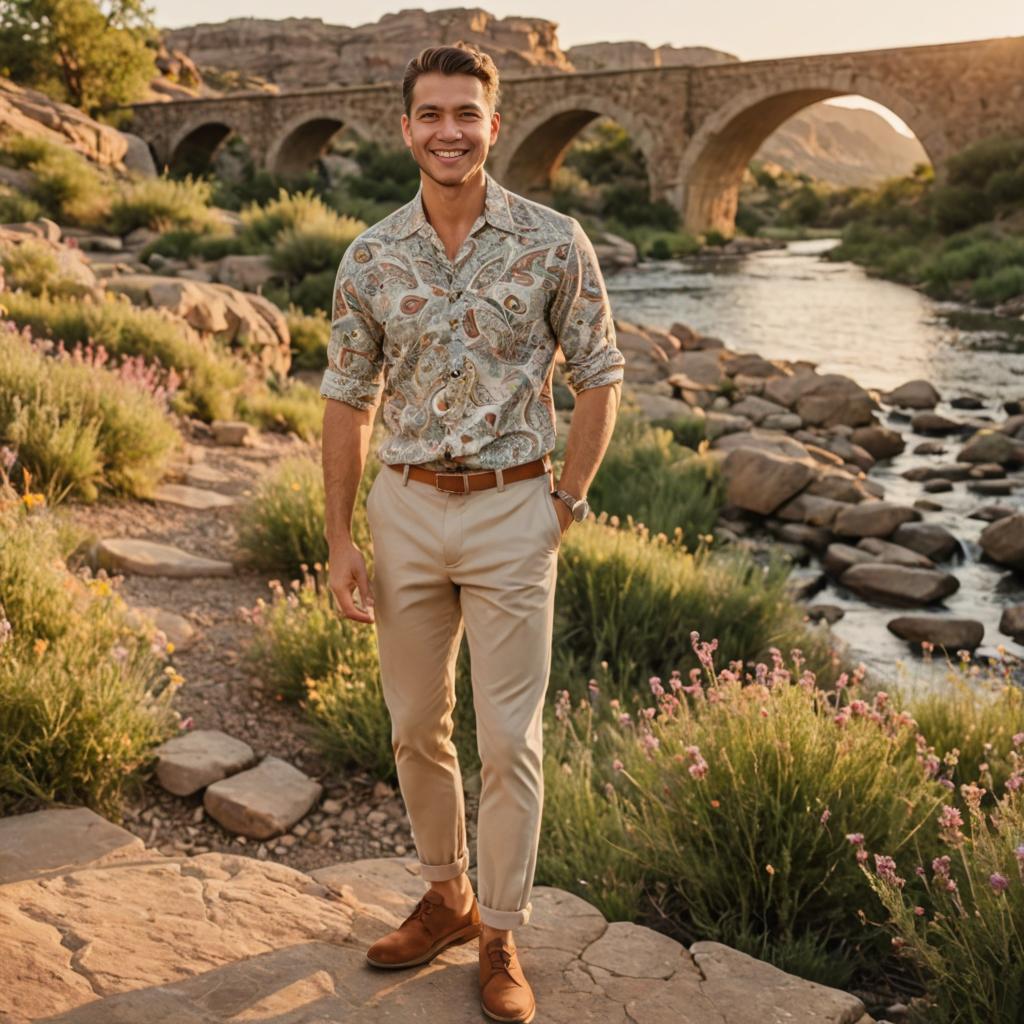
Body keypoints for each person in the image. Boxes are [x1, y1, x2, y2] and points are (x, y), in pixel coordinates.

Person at [320, 41, 624, 1024]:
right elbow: (345, 398)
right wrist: (338, 537)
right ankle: (446, 894)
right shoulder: (369, 255)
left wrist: (563, 502)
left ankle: (499, 932)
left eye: (467, 113)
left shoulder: (551, 240)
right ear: (405, 127)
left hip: (512, 509)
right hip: (403, 506)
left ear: (493, 125)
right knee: (414, 727)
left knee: (509, 739)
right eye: (431, 114)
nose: (449, 130)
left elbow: (601, 373)